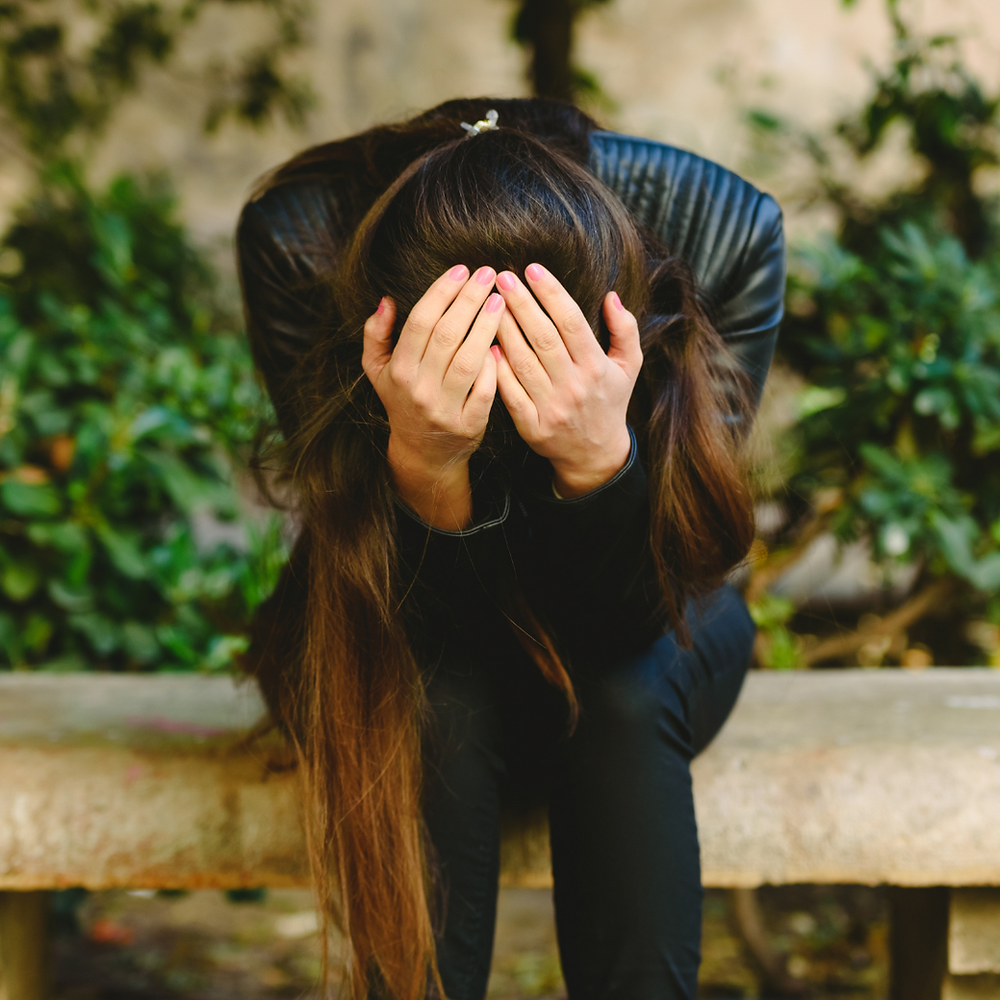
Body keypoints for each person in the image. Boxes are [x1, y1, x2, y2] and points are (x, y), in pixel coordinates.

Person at [236, 97, 785, 1000]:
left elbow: (668, 590)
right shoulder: (302, 234)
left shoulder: (718, 228)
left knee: (625, 687)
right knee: (433, 701)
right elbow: (376, 589)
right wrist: (423, 465)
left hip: (652, 607)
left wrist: (598, 460)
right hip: (385, 612)